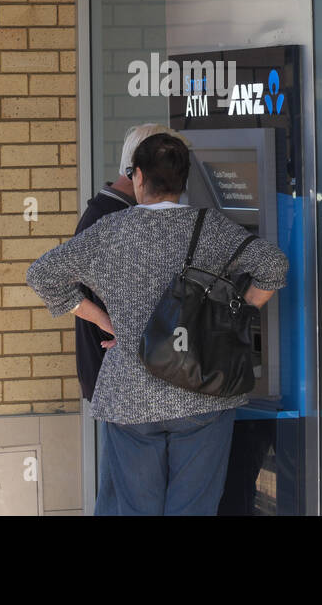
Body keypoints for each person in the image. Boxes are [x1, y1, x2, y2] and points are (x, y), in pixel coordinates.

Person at [27, 132, 288, 515]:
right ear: (183, 181)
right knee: (194, 507)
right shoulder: (211, 228)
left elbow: (42, 275)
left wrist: (104, 320)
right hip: (203, 387)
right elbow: (273, 266)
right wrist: (239, 313)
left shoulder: (109, 232)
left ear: (137, 177)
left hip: (130, 392)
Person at [71, 123, 188, 514]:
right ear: (138, 171)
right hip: (118, 376)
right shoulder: (108, 220)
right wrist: (113, 325)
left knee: (125, 490)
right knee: (123, 494)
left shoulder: (115, 213)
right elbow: (53, 278)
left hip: (124, 377)